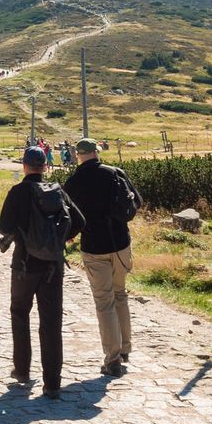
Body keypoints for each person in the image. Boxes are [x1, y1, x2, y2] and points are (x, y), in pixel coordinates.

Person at [0, 146, 84, 400]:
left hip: (24, 265)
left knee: (20, 313)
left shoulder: (18, 192)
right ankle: (53, 384)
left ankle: (22, 371)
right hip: (53, 268)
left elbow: (4, 226)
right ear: (45, 166)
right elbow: (80, 221)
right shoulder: (58, 192)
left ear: (24, 166)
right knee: (51, 323)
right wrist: (59, 239)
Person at [63, 138, 142, 377]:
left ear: (78, 155)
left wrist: (68, 238)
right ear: (96, 152)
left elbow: (68, 216)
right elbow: (136, 201)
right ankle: (125, 348)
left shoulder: (73, 182)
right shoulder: (115, 173)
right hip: (120, 244)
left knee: (104, 302)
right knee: (120, 294)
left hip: (94, 247)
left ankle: (113, 359)